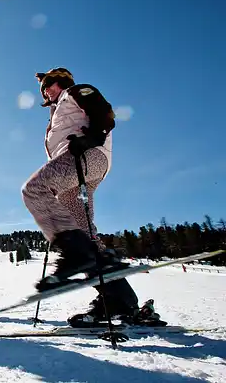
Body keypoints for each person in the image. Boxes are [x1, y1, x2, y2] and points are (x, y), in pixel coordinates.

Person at [23, 67, 163, 327]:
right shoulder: (55, 114)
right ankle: (119, 300)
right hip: (74, 169)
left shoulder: (75, 92)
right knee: (84, 238)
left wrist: (93, 137)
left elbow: (104, 111)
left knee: (34, 190)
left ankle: (76, 254)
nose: (47, 91)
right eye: (43, 89)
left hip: (86, 157)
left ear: (62, 81)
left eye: (50, 84)